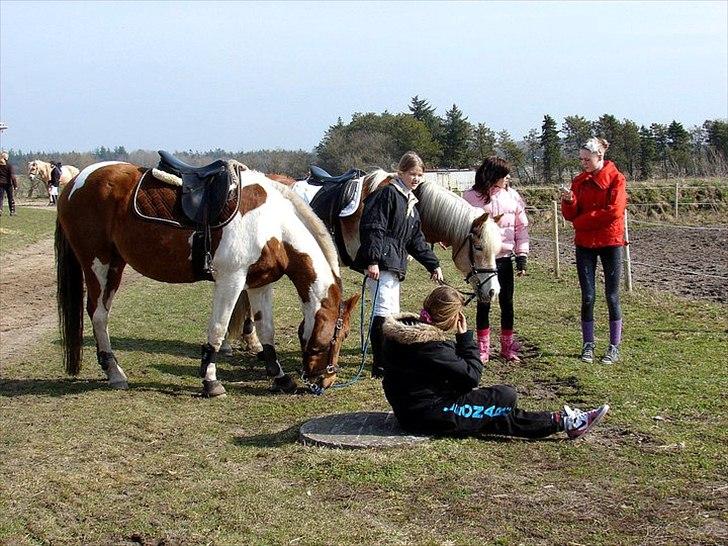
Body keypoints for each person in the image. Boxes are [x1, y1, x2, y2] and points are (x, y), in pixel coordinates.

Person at [381, 285, 609, 439]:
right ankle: (566, 422)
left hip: (412, 410)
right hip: (428, 415)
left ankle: (563, 422)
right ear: (452, 317)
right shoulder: (432, 347)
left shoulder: (402, 334)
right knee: (504, 397)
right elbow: (472, 376)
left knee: (492, 413)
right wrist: (464, 337)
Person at [354, 151, 444, 378]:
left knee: (392, 313)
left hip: (394, 264)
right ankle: (379, 365)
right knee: (382, 312)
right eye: (412, 173)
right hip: (382, 263)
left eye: (419, 175)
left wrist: (433, 264)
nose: (416, 178)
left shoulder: (409, 201)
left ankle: (390, 360)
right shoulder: (387, 195)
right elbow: (373, 228)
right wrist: (372, 260)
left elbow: (415, 240)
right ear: (401, 172)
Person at [561, 137, 627, 365]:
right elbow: (570, 215)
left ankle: (614, 346)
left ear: (600, 156)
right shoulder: (578, 181)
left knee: (612, 296)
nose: (583, 163)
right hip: (585, 245)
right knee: (588, 297)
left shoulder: (617, 180)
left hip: (611, 242)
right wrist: (569, 202)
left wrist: (581, 222)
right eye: (581, 159)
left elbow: (614, 211)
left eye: (587, 159)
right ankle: (588, 344)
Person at [462, 156, 529, 363]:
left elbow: (521, 228)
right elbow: (462, 226)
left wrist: (522, 255)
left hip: (504, 258)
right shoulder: (470, 197)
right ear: (493, 175)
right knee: (484, 302)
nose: (508, 178)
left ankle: (507, 347)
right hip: (483, 261)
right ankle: (483, 348)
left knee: (507, 303)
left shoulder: (513, 197)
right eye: (503, 175)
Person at [0, 151, 18, 216]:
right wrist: (15, 185)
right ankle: (12, 211)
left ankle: (0, 210)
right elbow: (12, 177)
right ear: (6, 158)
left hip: (0, 184)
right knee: (10, 198)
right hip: (8, 184)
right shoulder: (9, 166)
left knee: (0, 198)